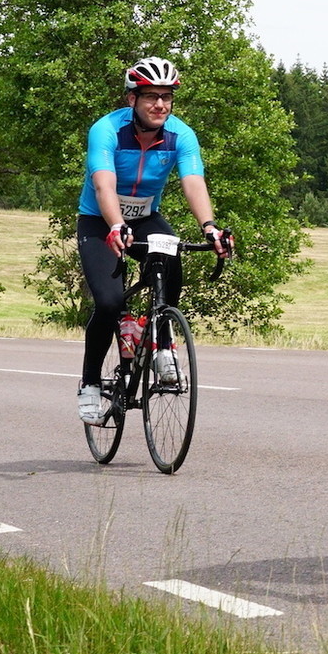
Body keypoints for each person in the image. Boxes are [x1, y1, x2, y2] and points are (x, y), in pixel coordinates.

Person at [74, 57, 236, 427]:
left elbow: (193, 182)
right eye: (151, 97)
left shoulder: (181, 135)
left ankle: (162, 344)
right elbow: (103, 185)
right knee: (109, 302)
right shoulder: (107, 130)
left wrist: (210, 228)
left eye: (166, 97)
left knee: (171, 254)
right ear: (132, 99)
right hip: (99, 220)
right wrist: (116, 224)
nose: (160, 105)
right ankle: (90, 383)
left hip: (145, 218)